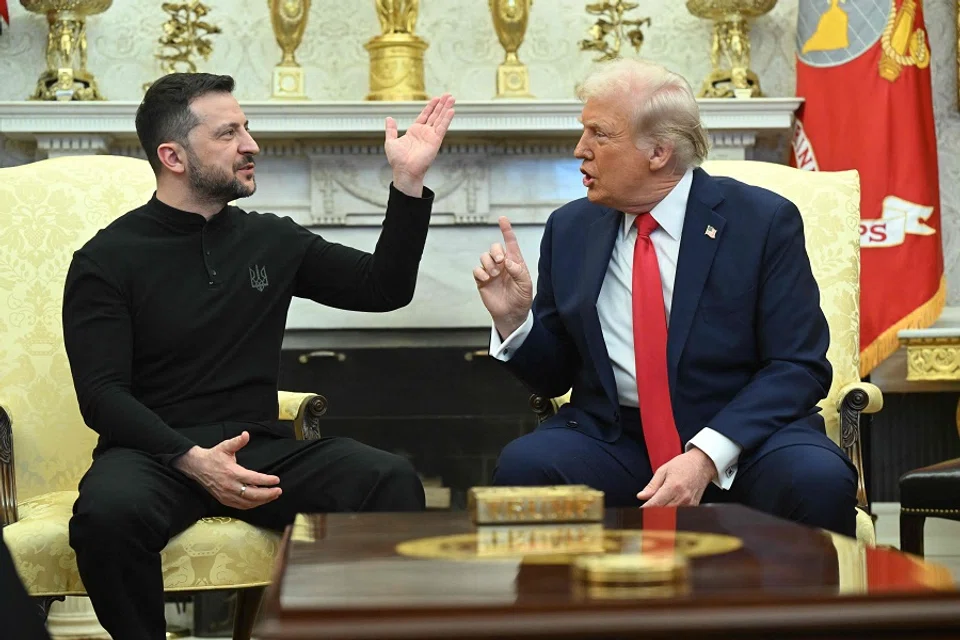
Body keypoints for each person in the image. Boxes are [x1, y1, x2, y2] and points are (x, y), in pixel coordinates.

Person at [62, 72, 455, 639]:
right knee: (105, 517)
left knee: (386, 478)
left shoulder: (272, 239)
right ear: (173, 155)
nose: (251, 145)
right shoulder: (105, 259)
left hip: (258, 451)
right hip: (155, 456)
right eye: (229, 133)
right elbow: (101, 396)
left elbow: (383, 289)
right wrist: (190, 457)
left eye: (247, 127)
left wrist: (408, 182)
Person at [473, 58, 857, 537]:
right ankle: (562, 615)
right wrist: (515, 321)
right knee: (527, 468)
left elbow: (799, 366)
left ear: (658, 151)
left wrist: (704, 457)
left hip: (748, 437)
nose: (579, 150)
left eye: (599, 133)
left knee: (816, 480)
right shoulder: (571, 229)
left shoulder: (761, 222)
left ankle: (804, 616)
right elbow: (554, 376)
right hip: (617, 438)